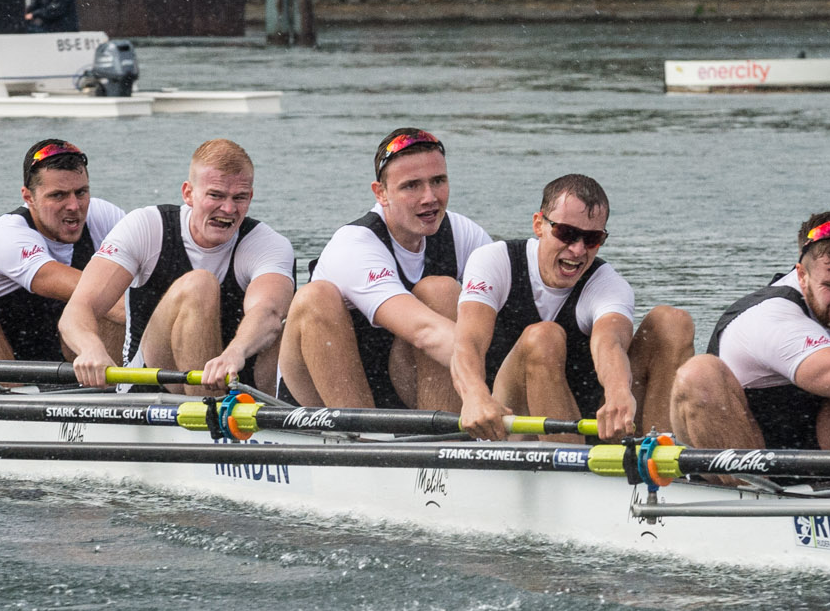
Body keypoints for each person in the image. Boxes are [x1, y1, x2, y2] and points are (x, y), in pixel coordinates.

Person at [451, 173, 694, 440]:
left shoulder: (608, 285)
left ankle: (657, 455)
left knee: (672, 322)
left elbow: (609, 345)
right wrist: (474, 395)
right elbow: (468, 342)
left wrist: (618, 392)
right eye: (567, 234)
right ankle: (572, 466)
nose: (578, 250)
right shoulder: (494, 261)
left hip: (585, 422)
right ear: (539, 225)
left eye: (592, 239)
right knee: (544, 336)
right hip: (506, 420)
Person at [670, 212, 830, 451]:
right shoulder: (771, 317)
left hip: (826, 442)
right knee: (699, 373)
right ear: (802, 276)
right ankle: (751, 494)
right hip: (747, 447)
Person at [278, 127, 493, 410]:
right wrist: (479, 386)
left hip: (396, 384)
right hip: (322, 395)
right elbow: (423, 332)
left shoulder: (462, 232)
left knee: (441, 291)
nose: (429, 197)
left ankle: (441, 439)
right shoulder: (355, 243)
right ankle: (359, 439)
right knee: (316, 296)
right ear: (381, 193)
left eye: (438, 181)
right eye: (411, 186)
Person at [60, 138, 298, 393]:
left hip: (237, 382)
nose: (228, 209)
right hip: (151, 383)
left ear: (250, 197)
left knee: (300, 308)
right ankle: (208, 410)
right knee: (200, 283)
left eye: (239, 197)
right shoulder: (147, 226)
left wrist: (235, 353)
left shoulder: (268, 243)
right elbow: (77, 310)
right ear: (188, 193)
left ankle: (220, 407)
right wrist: (91, 349)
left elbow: (269, 313)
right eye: (215, 195)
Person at [0, 139, 128, 361]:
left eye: (81, 192)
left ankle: (117, 385)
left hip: (71, 364)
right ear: (28, 197)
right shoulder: (9, 235)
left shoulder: (102, 214)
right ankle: (9, 393)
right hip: (2, 371)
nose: (74, 206)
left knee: (123, 284)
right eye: (58, 195)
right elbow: (82, 289)